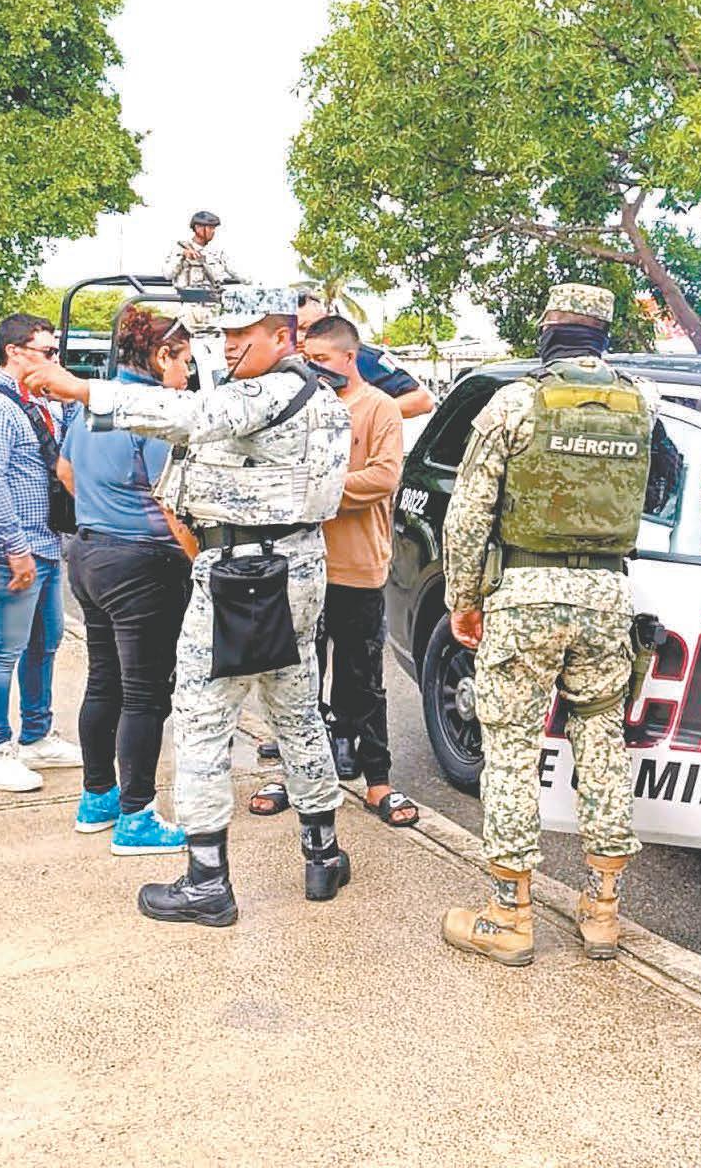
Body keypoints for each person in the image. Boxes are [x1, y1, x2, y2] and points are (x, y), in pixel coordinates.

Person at [17, 284, 352, 927]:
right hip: (297, 566)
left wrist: (82, 389)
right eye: (225, 335)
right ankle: (322, 853)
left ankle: (206, 880)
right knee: (297, 713)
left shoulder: (268, 392)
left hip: (241, 574)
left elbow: (192, 416)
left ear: (283, 336)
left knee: (202, 720)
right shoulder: (322, 396)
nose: (230, 346)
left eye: (245, 334)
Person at [440, 283, 654, 967]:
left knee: (510, 750)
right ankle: (603, 912)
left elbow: (468, 513)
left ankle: (511, 916)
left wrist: (462, 597)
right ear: (602, 334)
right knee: (603, 742)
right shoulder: (642, 403)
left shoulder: (513, 403)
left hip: (524, 595)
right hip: (607, 597)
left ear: (550, 331)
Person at [63, 309, 197, 854]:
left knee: (104, 682)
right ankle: (137, 817)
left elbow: (66, 471)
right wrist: (198, 560)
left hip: (90, 554)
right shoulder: (156, 414)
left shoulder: (94, 405)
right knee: (145, 695)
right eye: (185, 362)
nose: (187, 375)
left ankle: (98, 796)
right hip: (144, 564)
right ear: (162, 357)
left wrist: (104, 510)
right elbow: (172, 502)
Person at [299, 315, 416, 829]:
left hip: (358, 567)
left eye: (322, 359)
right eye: (308, 360)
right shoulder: (303, 406)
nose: (314, 368)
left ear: (350, 358)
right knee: (298, 678)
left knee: (363, 679)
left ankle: (378, 781)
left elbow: (383, 478)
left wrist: (315, 490)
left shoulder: (379, 408)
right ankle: (297, 776)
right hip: (303, 564)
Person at [0, 312, 80, 793]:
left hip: (44, 544)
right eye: (48, 352)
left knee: (44, 644)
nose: (55, 360)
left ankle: (37, 734)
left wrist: (68, 393)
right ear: (14, 351)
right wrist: (15, 547)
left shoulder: (41, 401)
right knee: (3, 651)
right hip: (5, 551)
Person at [292, 296, 434, 418]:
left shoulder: (358, 357)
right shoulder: (290, 364)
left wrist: (355, 415)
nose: (297, 337)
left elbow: (422, 401)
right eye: (291, 328)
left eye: (306, 328)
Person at [168, 211, 240, 293]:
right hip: (186, 298)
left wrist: (251, 280)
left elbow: (236, 272)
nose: (213, 232)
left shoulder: (217, 252)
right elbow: (168, 274)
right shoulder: (180, 249)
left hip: (211, 297)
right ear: (198, 228)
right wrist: (182, 256)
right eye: (210, 228)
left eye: (213, 228)